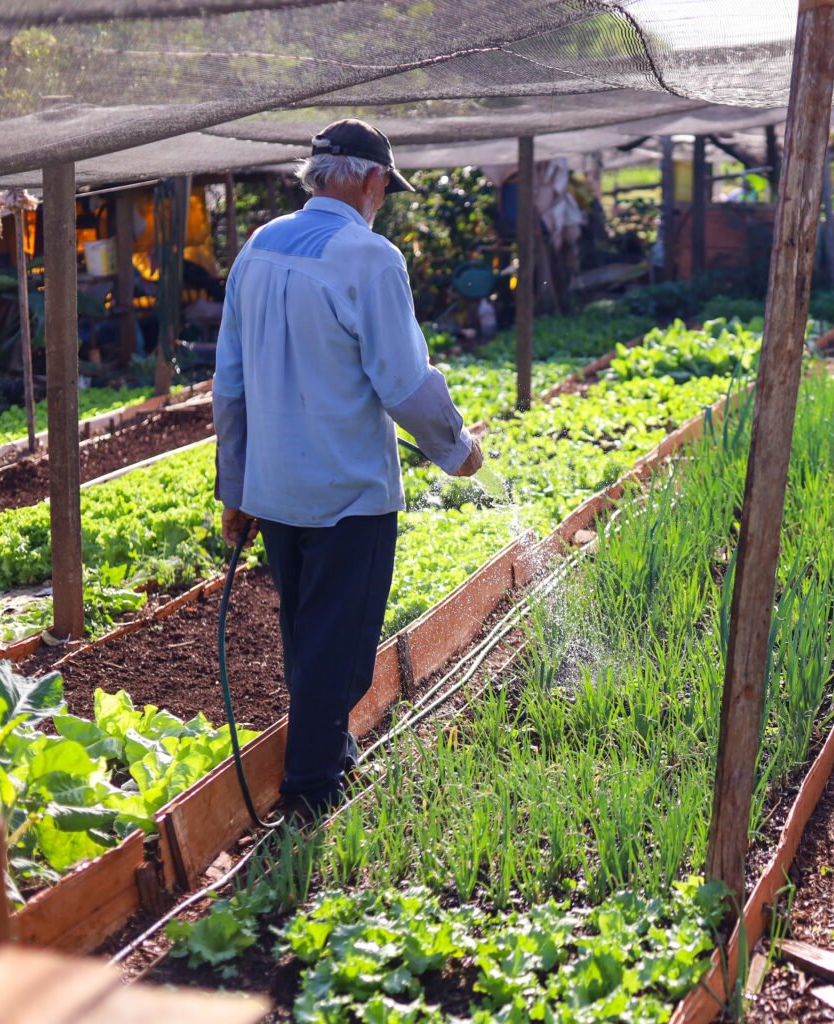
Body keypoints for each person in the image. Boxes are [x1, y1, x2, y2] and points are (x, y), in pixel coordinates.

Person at [213, 119, 484, 821]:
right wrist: (457, 449)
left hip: (275, 490)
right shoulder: (369, 257)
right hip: (347, 494)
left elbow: (230, 382)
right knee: (341, 652)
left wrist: (235, 488)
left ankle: (330, 753)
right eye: (385, 189)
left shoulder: (259, 246)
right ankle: (309, 792)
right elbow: (403, 381)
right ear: (371, 180)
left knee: (309, 637)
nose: (382, 201)